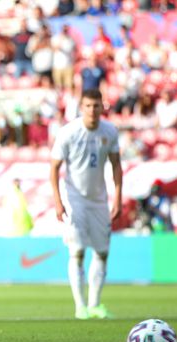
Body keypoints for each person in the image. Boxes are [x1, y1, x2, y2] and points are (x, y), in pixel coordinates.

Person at [50, 89, 122, 320]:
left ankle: (95, 305)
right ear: (81, 108)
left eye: (96, 106)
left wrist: (118, 197)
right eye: (88, 106)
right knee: (78, 251)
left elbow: (116, 166)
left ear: (103, 107)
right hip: (75, 199)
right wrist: (58, 201)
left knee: (102, 253)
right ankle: (80, 306)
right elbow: (54, 168)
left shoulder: (109, 131)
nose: (92, 110)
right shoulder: (69, 132)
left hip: (99, 200)